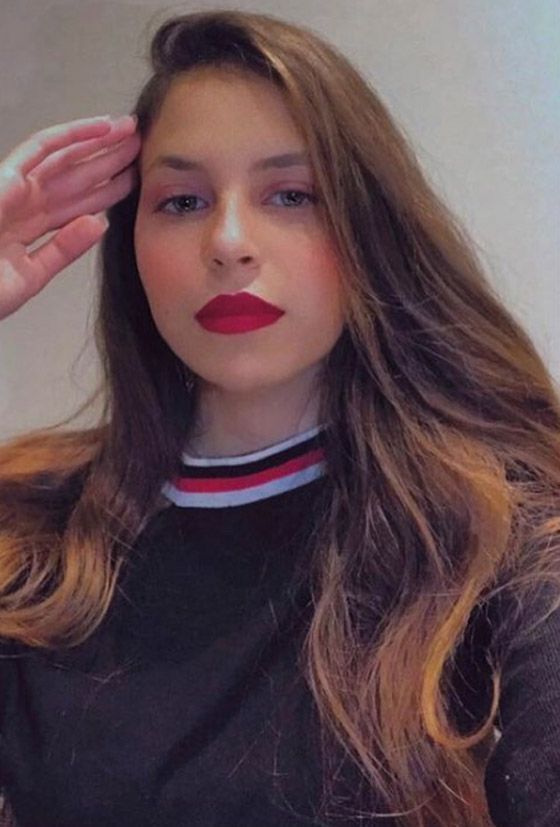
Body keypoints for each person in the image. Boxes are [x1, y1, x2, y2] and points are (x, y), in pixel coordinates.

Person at [0, 9, 559, 827]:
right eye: (182, 200)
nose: (229, 241)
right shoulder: (27, 531)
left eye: (292, 194)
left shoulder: (504, 533)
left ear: (369, 229)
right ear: (130, 245)